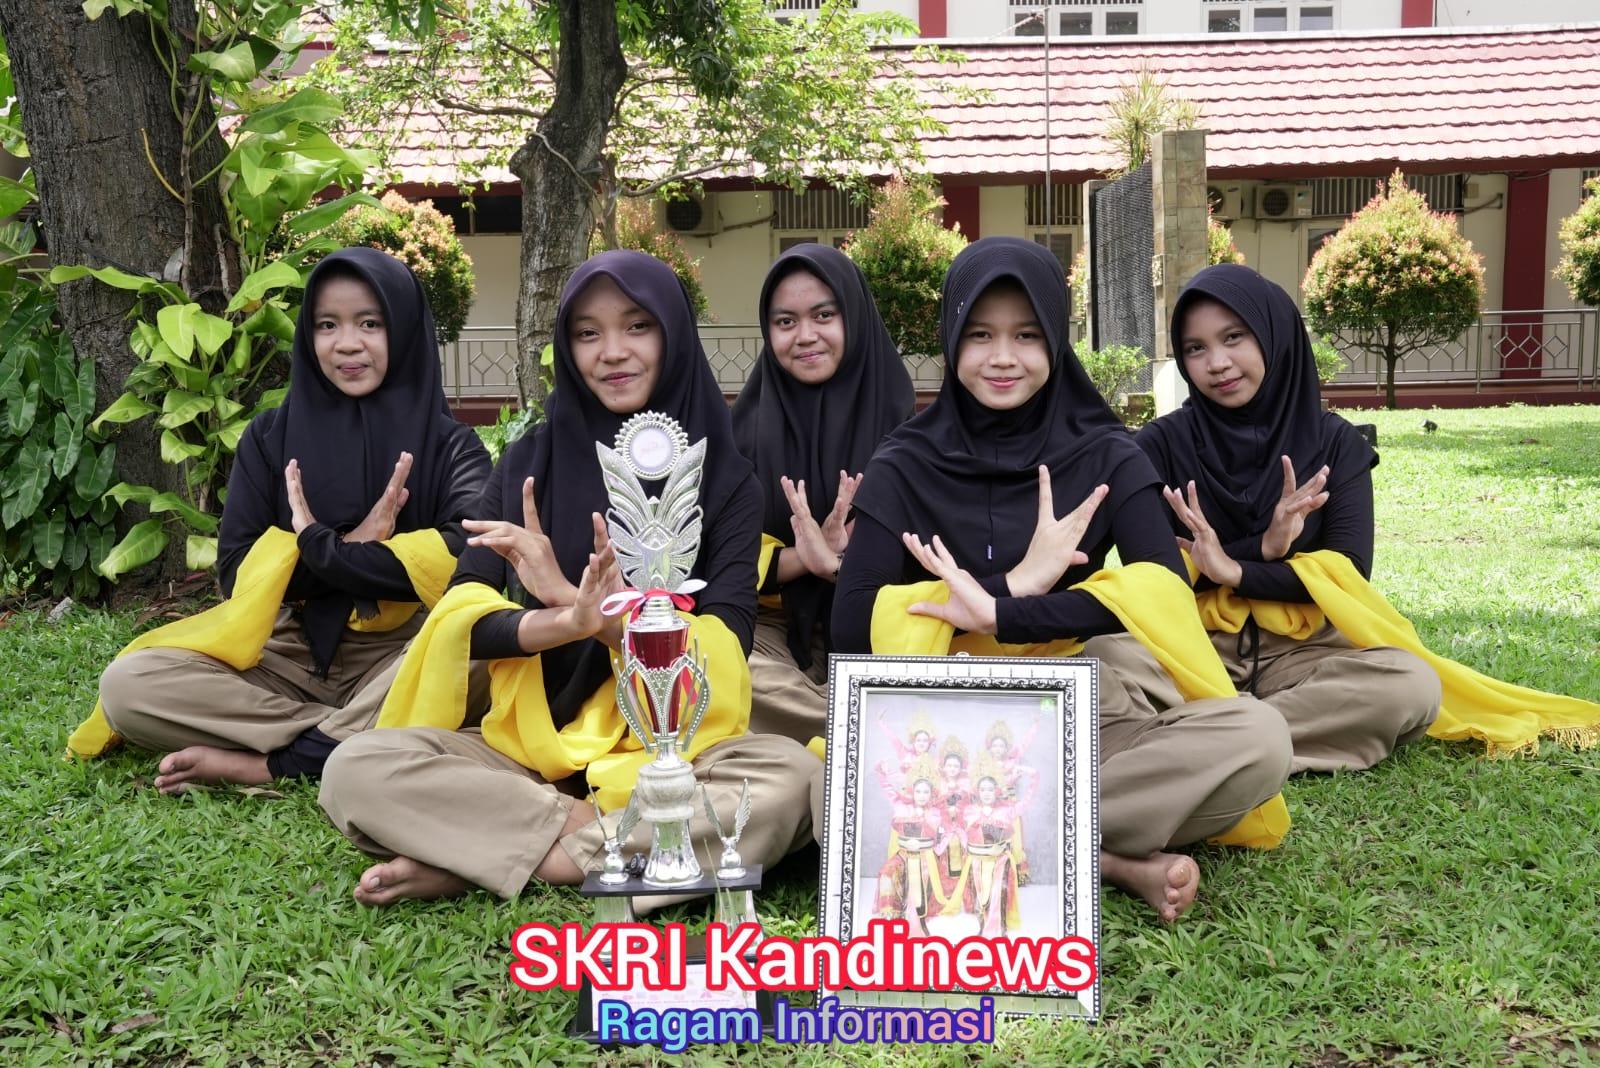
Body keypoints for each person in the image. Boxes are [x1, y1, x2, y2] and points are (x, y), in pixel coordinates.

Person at [317, 250, 815, 906]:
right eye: (587, 333)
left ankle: (493, 858)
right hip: (529, 749)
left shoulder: (725, 479)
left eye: (637, 326)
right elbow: (466, 614)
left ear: (673, 334)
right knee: (355, 767)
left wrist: (606, 625)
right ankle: (607, 840)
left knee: (791, 778)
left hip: (673, 754)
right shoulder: (531, 459)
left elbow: (726, 647)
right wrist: (563, 617)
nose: (612, 351)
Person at [832, 237, 1292, 922]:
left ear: (1054, 339)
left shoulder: (1105, 453)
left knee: (1258, 737)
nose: (1002, 357)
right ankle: (1102, 856)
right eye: (980, 334)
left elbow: (1163, 589)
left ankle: (1006, 836)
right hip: (944, 725)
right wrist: (1014, 584)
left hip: (1079, 711)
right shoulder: (905, 462)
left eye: (1026, 335)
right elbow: (850, 624)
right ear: (952, 340)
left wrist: (1007, 617)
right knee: (826, 794)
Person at [1139, 262, 1600, 762]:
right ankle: (1245, 741)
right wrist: (1264, 549)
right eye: (1195, 348)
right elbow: (1156, 580)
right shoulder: (1160, 446)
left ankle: (1215, 743)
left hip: (1306, 652)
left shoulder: (1334, 444)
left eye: (1234, 338)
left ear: (1273, 335)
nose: (1217, 363)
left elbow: (1349, 571)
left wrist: (1235, 570)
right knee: (1104, 664)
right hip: (1195, 648)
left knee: (1411, 685)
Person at [78, 247, 490, 790]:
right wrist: (356, 549)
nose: (347, 343)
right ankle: (351, 739)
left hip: (399, 652)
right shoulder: (270, 437)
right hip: (285, 653)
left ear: (405, 330)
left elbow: (471, 560)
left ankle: (273, 761)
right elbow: (236, 570)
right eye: (327, 324)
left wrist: (328, 553)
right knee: (129, 686)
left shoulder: (452, 447)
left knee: (479, 647)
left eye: (370, 323)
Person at [732, 243, 915, 744]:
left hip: (884, 627)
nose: (805, 336)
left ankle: (841, 727)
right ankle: (867, 730)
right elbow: (719, 558)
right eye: (785, 321)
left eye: (824, 315)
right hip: (773, 634)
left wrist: (843, 568)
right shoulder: (740, 435)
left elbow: (928, 560)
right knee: (724, 670)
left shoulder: (907, 428)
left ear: (853, 316)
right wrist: (802, 560)